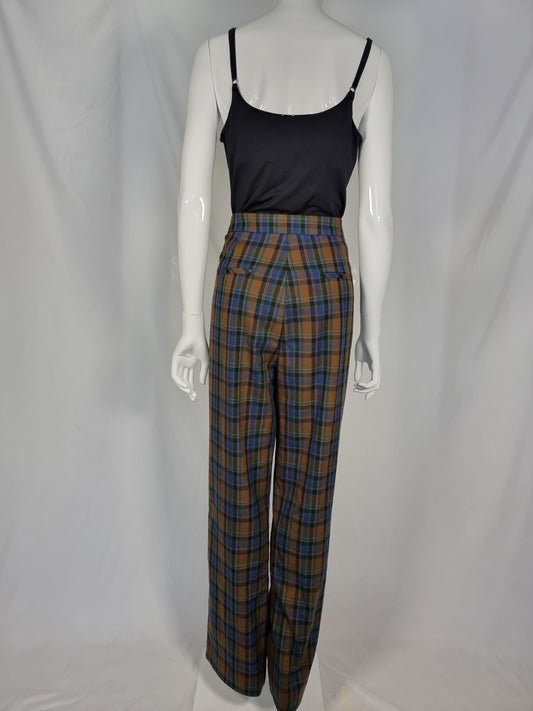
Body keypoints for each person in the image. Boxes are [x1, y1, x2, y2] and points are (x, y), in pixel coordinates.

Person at [171, 2, 393, 710]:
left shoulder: (365, 64)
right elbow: (376, 215)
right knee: (298, 480)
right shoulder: (223, 57)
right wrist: (372, 328)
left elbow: (193, 202)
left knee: (250, 475)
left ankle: (257, 670)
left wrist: (191, 319)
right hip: (319, 278)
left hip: (249, 272)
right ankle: (270, 673)